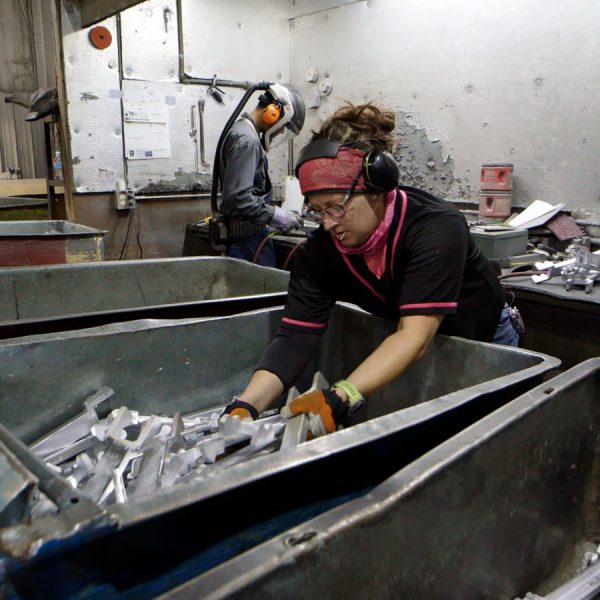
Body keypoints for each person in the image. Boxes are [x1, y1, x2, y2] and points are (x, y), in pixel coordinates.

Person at [222, 102, 519, 434]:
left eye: (337, 207)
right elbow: (294, 338)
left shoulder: (434, 228)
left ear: (378, 188)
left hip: (480, 343)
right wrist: (245, 407)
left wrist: (341, 396)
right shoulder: (319, 254)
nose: (329, 223)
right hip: (406, 348)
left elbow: (414, 336)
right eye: (319, 211)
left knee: (481, 436)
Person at [218, 83, 305, 266]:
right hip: (247, 241)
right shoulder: (247, 141)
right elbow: (239, 198)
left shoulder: (242, 133)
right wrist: (275, 215)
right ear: (273, 113)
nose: (281, 130)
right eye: (284, 125)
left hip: (248, 236)